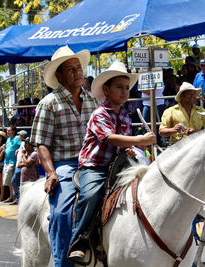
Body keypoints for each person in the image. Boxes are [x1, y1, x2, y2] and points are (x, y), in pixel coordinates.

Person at [68, 61, 156, 263]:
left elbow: (122, 143)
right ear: (106, 90)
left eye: (127, 88)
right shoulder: (99, 114)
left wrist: (132, 149)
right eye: (119, 87)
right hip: (95, 166)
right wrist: (139, 140)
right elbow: (110, 138)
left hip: (117, 164)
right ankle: (79, 239)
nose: (125, 92)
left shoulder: (125, 114)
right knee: (91, 194)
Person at [30, 45, 99, 267]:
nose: (77, 72)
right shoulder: (49, 103)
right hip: (66, 165)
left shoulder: (93, 101)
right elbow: (42, 144)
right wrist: (50, 173)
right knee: (61, 212)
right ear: (59, 75)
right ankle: (62, 262)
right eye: (71, 69)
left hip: (93, 162)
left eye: (79, 67)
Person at [2, 125, 21, 203]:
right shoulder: (8, 140)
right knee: (9, 181)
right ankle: (11, 196)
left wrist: (18, 150)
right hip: (6, 161)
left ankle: (14, 197)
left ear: (13, 131)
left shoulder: (17, 138)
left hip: (13, 162)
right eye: (7, 130)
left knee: (12, 180)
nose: (7, 132)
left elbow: (22, 145)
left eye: (9, 130)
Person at [10, 130, 29, 205]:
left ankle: (18, 198)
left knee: (14, 181)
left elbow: (25, 152)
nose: (18, 136)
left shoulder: (25, 144)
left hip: (20, 165)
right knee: (16, 182)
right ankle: (16, 198)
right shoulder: (22, 143)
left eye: (19, 135)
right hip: (18, 164)